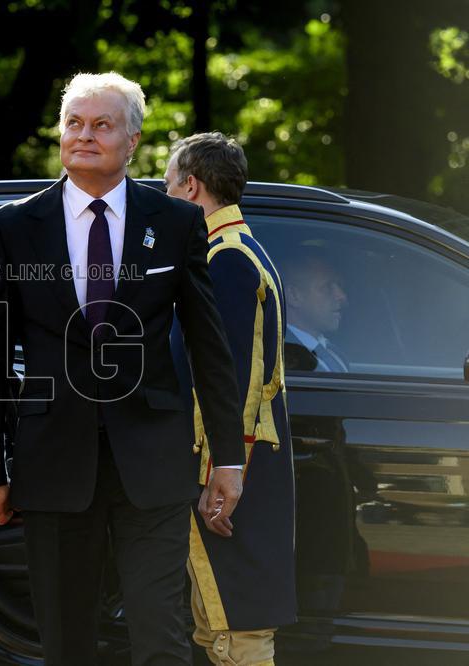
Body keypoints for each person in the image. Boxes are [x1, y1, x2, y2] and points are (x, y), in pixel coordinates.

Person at [0, 72, 245, 666]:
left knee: (160, 636)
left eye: (101, 125)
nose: (84, 136)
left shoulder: (174, 222)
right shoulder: (14, 226)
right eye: (74, 123)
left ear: (133, 140)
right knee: (66, 642)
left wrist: (227, 458)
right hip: (51, 463)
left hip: (154, 465)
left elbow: (209, 348)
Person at [165, 131, 295, 666]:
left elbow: (231, 378)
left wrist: (225, 466)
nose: (165, 196)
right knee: (217, 625)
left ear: (192, 186)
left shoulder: (226, 259)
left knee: (234, 630)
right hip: (238, 462)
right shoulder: (240, 248)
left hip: (232, 469)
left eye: (169, 186)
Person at [281, 251, 350, 372]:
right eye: (326, 287)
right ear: (294, 295)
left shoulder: (334, 354)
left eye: (339, 285)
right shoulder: (280, 358)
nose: (341, 296)